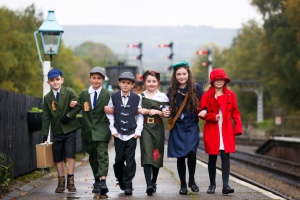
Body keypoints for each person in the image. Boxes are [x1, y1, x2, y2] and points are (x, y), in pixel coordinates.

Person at [198, 68, 242, 195]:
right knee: (212, 157)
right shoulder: (207, 95)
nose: (219, 82)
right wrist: (212, 116)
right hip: (212, 129)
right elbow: (200, 112)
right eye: (216, 79)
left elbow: (236, 113)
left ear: (225, 81)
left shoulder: (230, 95)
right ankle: (212, 185)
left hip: (226, 129)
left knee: (225, 156)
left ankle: (226, 185)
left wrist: (238, 127)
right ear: (212, 81)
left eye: (221, 79)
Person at [68, 67, 111, 195]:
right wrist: (68, 115)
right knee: (93, 156)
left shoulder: (108, 94)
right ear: (90, 78)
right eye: (94, 78)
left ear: (103, 80)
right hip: (88, 131)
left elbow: (115, 109)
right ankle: (97, 180)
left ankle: (103, 181)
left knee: (102, 155)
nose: (96, 81)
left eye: (99, 78)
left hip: (103, 129)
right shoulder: (84, 94)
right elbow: (78, 107)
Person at [166, 61, 203, 195]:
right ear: (175, 76)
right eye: (179, 74)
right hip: (177, 127)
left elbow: (204, 104)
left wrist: (205, 111)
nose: (182, 77)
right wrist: (164, 111)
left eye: (184, 74)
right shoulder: (171, 90)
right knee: (180, 156)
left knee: (192, 153)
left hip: (192, 125)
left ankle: (192, 181)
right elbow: (165, 105)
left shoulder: (196, 88)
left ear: (188, 74)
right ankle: (182, 184)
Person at [41, 68, 81, 193]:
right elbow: (46, 116)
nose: (55, 82)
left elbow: (78, 104)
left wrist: (68, 116)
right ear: (48, 82)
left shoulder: (68, 91)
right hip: (57, 131)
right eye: (52, 80)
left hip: (70, 129)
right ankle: (61, 181)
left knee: (70, 155)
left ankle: (71, 181)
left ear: (62, 80)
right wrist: (44, 134)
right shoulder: (47, 97)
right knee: (58, 157)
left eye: (57, 79)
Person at [104, 72, 143, 195]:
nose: (125, 85)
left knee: (130, 160)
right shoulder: (114, 96)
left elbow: (140, 115)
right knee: (119, 160)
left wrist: (138, 131)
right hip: (118, 134)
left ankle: (128, 184)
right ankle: (120, 178)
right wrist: (113, 130)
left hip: (132, 133)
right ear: (119, 83)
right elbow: (109, 113)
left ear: (132, 85)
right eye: (123, 83)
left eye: (128, 83)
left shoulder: (137, 98)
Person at [138, 70, 169, 195]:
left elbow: (167, 113)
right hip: (145, 127)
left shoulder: (163, 97)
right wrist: (142, 110)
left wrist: (158, 112)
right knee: (146, 154)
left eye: (154, 81)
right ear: (144, 82)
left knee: (156, 154)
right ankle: (148, 185)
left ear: (158, 82)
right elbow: (136, 111)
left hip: (158, 127)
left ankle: (154, 181)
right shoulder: (140, 97)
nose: (151, 84)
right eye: (148, 81)